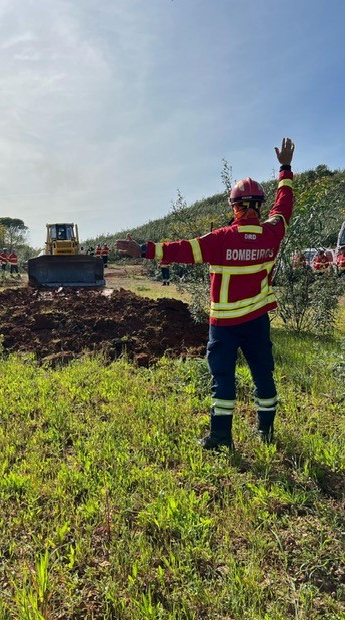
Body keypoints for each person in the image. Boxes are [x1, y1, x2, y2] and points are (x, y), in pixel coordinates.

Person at [116, 138, 295, 450]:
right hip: (257, 321)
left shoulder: (220, 238)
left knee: (223, 378)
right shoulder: (272, 232)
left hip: (224, 325)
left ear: (235, 207)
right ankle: (265, 432)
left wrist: (143, 249)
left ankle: (221, 437)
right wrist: (285, 168)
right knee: (263, 375)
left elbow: (181, 249)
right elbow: (284, 206)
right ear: (258, 206)